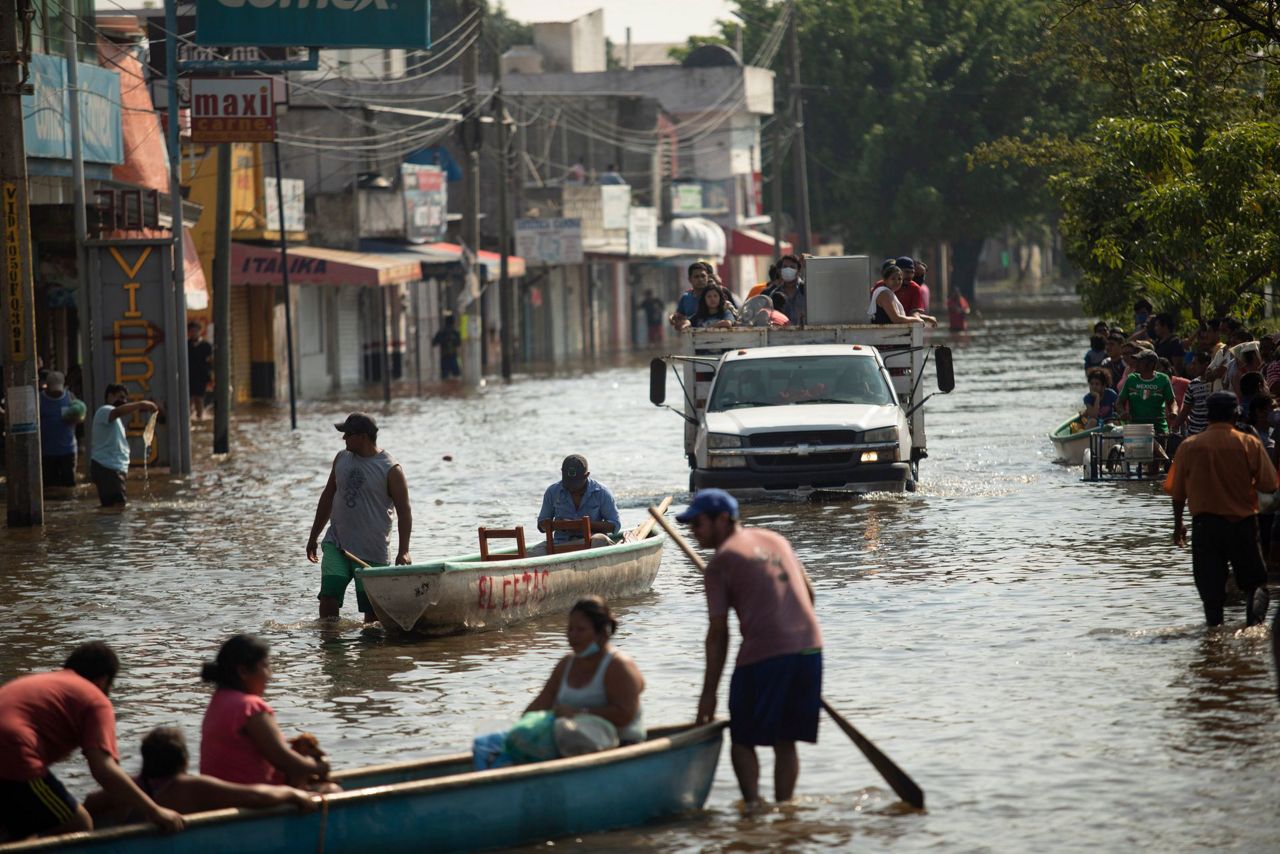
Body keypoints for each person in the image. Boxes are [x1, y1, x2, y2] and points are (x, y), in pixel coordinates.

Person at [681, 489, 823, 811]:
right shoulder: (776, 540)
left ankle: (754, 809)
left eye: (699, 524)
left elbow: (718, 633)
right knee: (785, 740)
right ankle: (786, 811)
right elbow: (810, 595)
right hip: (810, 648)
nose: (694, 531)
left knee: (742, 738)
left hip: (767, 654)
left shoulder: (720, 562)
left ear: (723, 520)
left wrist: (708, 693)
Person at [0, 642, 185, 839]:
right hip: (12, 753)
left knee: (19, 828)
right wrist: (154, 810)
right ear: (103, 681)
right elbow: (103, 769)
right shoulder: (95, 698)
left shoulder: (45, 682)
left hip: (10, 754)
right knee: (77, 824)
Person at [1167, 392, 1276, 626]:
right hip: (1243, 524)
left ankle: (1214, 642)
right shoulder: (1249, 443)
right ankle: (1252, 635)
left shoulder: (1189, 446)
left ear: (1208, 416)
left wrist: (1178, 526)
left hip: (1206, 527)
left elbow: (1177, 494)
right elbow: (1269, 486)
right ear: (1236, 414)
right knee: (1256, 585)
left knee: (1212, 596)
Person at [84, 727, 315, 825]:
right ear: (184, 761)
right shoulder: (190, 787)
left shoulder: (127, 788)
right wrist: (292, 793)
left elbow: (90, 803)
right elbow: (256, 796)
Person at [306, 412, 413, 623]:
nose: (343, 438)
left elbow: (404, 511)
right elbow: (328, 496)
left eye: (348, 434)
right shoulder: (341, 459)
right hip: (337, 543)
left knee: (372, 613)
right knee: (328, 596)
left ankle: (371, 655)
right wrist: (313, 536)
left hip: (372, 550)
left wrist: (404, 551)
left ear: (363, 437)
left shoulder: (390, 468)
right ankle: (331, 649)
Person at [199, 635, 336, 791]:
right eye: (265, 666)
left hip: (218, 796)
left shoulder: (218, 700)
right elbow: (284, 760)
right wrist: (319, 766)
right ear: (243, 671)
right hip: (250, 797)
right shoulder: (250, 706)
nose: (269, 675)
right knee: (332, 790)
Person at [525, 597, 645, 743]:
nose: (572, 635)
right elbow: (540, 704)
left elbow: (625, 715)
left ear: (602, 633)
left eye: (580, 630)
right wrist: (520, 728)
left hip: (622, 744)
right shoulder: (565, 665)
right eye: (570, 629)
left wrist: (577, 713)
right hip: (576, 743)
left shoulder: (618, 666)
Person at [89, 384, 159, 508]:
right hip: (108, 468)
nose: (124, 401)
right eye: (121, 397)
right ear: (110, 396)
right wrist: (141, 404)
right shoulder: (105, 410)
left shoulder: (115, 420)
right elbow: (118, 411)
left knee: (112, 509)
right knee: (118, 509)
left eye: (126, 399)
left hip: (111, 469)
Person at [534, 454, 620, 552]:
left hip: (592, 542)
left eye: (575, 483)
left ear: (587, 475)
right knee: (533, 553)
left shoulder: (602, 492)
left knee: (601, 540)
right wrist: (557, 525)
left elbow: (615, 525)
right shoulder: (552, 492)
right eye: (568, 483)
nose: (571, 487)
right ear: (562, 473)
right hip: (560, 543)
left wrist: (584, 525)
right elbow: (541, 525)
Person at [38, 371, 83, 488]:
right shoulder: (39, 399)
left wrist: (75, 418)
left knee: (69, 486)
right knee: (50, 486)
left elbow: (81, 418)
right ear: (47, 386)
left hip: (68, 451)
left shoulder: (70, 397)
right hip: (46, 453)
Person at [1117, 350, 1176, 434]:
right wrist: (1122, 413)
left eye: (1140, 361)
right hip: (1136, 430)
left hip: (1159, 429)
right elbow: (1119, 402)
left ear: (1151, 364)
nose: (1136, 363)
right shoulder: (1131, 379)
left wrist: (1173, 411)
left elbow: (1172, 401)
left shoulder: (1163, 379)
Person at [868, 266, 936, 327]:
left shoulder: (889, 293)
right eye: (893, 278)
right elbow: (896, 319)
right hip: (883, 335)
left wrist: (924, 318)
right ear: (885, 280)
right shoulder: (885, 294)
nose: (897, 281)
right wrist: (917, 320)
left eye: (899, 279)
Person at [1170, 351, 1211, 436]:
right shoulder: (1193, 384)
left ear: (1206, 365)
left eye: (1195, 364)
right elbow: (1185, 410)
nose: (1192, 367)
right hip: (1193, 434)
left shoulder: (1215, 384)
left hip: (1210, 434)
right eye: (1192, 364)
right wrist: (1174, 427)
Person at [766, 255, 807, 325]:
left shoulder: (806, 290)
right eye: (785, 267)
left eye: (792, 267)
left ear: (798, 271)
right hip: (782, 333)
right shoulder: (774, 294)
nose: (788, 269)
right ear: (780, 271)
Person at [187, 322, 213, 421]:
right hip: (188, 375)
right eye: (191, 331)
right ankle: (189, 418)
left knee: (199, 398)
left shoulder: (206, 346)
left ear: (200, 331)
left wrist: (210, 376)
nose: (193, 333)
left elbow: (210, 361)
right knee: (188, 398)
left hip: (201, 375)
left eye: (195, 331)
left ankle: (199, 417)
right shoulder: (185, 345)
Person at [432, 315, 462, 380]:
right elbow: (434, 343)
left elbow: (458, 343)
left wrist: (452, 339)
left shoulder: (454, 333)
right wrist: (445, 339)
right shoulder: (443, 332)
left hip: (451, 357)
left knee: (453, 376)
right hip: (446, 357)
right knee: (453, 377)